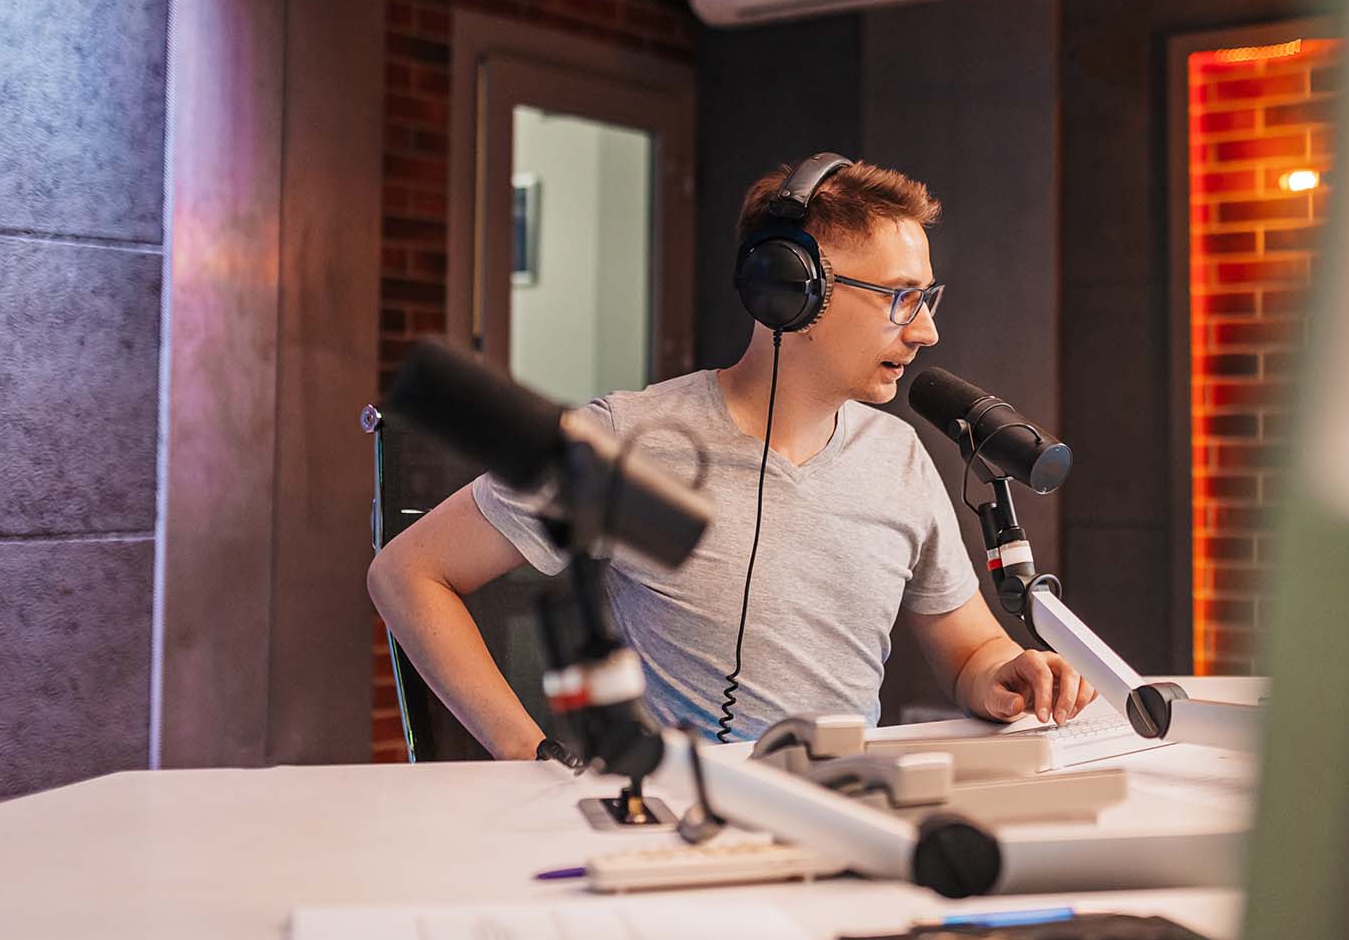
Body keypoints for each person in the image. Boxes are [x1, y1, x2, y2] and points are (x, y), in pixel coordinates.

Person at [368, 155, 1096, 758]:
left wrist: (1008, 672)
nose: (926, 331)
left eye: (927, 296)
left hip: (848, 813)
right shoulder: (634, 441)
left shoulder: (897, 456)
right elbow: (407, 573)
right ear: (791, 291)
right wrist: (526, 752)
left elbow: (967, 651)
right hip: (675, 823)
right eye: (900, 298)